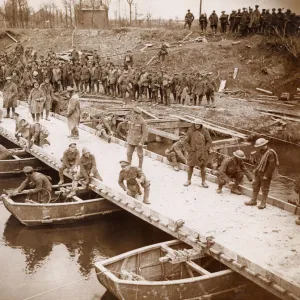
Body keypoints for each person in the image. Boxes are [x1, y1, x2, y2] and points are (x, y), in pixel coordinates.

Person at [244, 138, 279, 209]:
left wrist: (266, 175)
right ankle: (253, 201)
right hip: (258, 172)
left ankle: (263, 203)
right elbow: (257, 162)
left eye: (259, 146)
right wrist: (251, 158)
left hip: (265, 174)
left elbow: (271, 166)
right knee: (255, 186)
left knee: (264, 189)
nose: (258, 147)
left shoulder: (270, 153)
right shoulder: (260, 151)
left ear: (264, 145)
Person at [183, 120, 212, 187]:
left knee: (203, 167)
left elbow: (209, 141)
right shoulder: (190, 131)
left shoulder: (205, 131)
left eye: (198, 125)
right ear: (194, 124)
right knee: (190, 166)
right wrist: (189, 150)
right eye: (196, 124)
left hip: (202, 153)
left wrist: (205, 149)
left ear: (201, 125)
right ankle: (188, 180)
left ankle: (203, 182)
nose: (197, 126)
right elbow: (185, 142)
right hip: (193, 153)